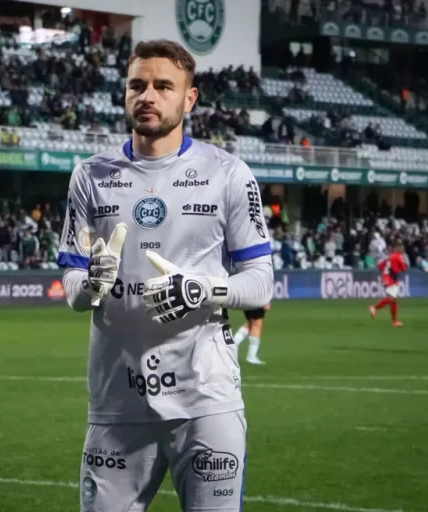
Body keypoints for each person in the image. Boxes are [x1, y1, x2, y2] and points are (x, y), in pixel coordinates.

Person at [57, 39, 274, 512]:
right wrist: (92, 284)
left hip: (204, 401)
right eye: (137, 84)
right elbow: (73, 290)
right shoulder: (89, 176)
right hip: (117, 403)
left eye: (163, 86)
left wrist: (202, 288)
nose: (148, 96)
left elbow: (261, 280)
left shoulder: (229, 174)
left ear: (189, 98)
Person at [370, 241, 407, 327]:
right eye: (402, 248)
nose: (403, 250)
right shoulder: (398, 256)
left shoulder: (389, 257)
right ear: (397, 248)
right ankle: (374, 307)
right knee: (391, 299)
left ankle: (394, 322)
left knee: (393, 301)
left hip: (386, 278)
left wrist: (385, 273)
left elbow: (379, 266)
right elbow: (404, 269)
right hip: (391, 279)